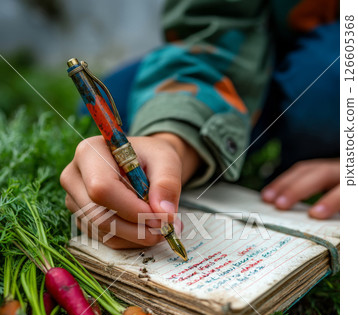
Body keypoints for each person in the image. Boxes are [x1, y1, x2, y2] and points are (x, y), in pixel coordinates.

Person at [60, 0, 340, 250]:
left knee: (327, 80)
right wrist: (170, 143)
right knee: (119, 99)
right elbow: (211, 28)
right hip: (258, 45)